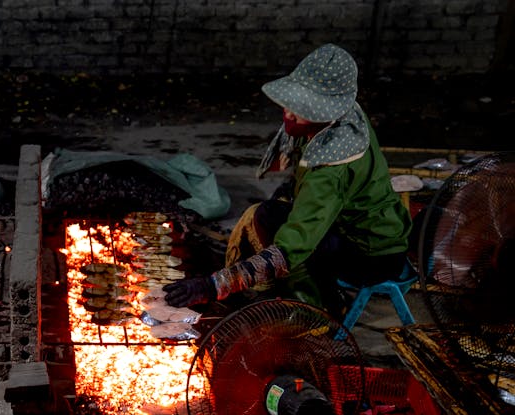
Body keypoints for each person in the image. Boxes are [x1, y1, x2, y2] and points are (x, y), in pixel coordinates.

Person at [164, 43, 412, 316]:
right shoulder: (346, 117)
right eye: (293, 103)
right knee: (272, 209)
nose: (289, 113)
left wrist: (213, 286)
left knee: (273, 224)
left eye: (303, 108)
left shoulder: (331, 168)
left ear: (327, 111)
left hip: (372, 255)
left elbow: (290, 248)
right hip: (372, 232)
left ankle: (316, 308)